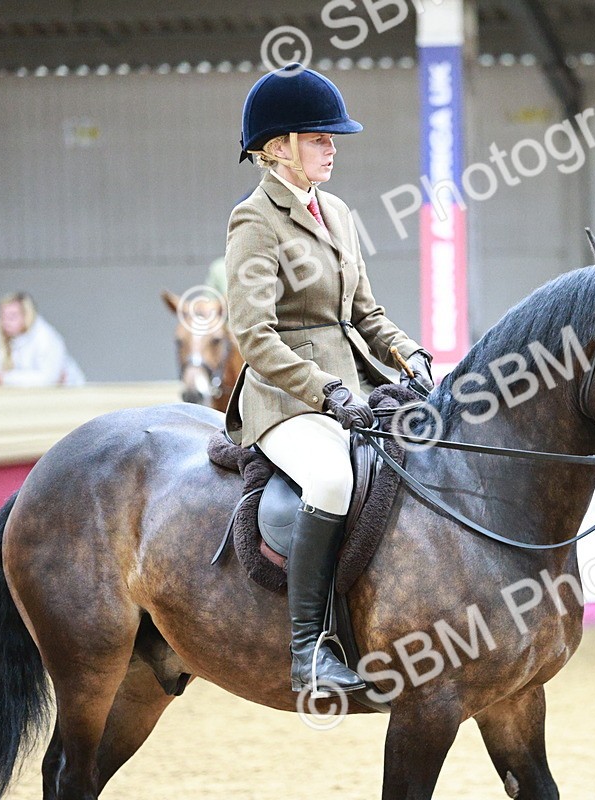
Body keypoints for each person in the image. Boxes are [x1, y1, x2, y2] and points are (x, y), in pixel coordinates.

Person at [226, 63, 434, 696]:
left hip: (354, 387)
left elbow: (365, 313)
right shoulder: (254, 221)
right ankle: (310, 650)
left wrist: (413, 357)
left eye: (330, 138)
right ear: (278, 148)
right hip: (286, 398)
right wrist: (326, 391)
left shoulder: (338, 212)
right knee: (331, 477)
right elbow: (255, 335)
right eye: (319, 137)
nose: (331, 147)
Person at [0, 292, 86, 387]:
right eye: (3, 316)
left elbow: (49, 380)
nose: (6, 322)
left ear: (27, 316)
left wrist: (7, 379)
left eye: (13, 316)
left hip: (68, 392)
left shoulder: (46, 337)